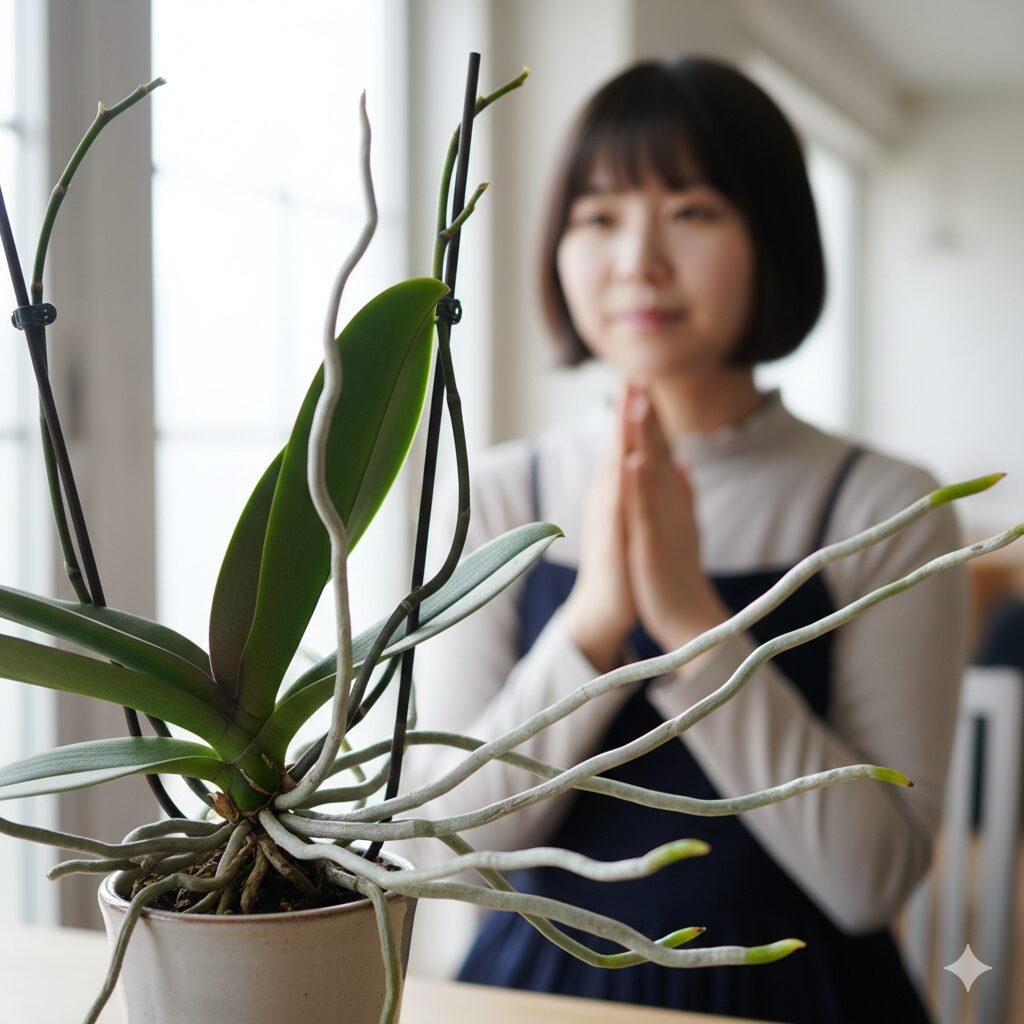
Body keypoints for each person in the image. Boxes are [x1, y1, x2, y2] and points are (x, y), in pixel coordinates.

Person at [404, 56, 967, 1023]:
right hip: (531, 996)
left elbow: (871, 880)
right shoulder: (500, 493)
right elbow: (437, 849)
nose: (637, 261)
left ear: (773, 236)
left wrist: (690, 624)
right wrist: (592, 625)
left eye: (692, 210)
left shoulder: (885, 506)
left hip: (799, 995)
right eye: (599, 217)